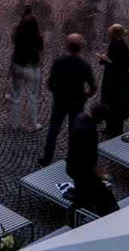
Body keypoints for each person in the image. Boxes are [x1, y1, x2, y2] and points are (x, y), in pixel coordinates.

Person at [42, 32, 95, 165]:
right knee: (74, 131)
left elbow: (50, 83)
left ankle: (47, 158)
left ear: (67, 46)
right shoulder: (84, 65)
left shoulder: (59, 62)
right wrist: (85, 95)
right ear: (81, 47)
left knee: (53, 130)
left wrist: (56, 93)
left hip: (60, 101)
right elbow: (93, 87)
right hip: (77, 102)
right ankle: (72, 159)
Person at [8, 4, 43, 130]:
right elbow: (40, 48)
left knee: (16, 95)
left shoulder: (18, 33)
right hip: (32, 67)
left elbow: (14, 39)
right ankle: (33, 124)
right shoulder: (37, 37)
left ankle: (14, 124)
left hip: (18, 66)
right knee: (33, 96)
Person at [97, 24, 129, 137]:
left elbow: (119, 64)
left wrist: (106, 60)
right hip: (114, 79)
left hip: (116, 81)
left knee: (115, 103)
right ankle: (110, 127)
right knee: (112, 103)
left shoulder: (119, 46)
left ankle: (114, 129)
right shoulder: (117, 44)